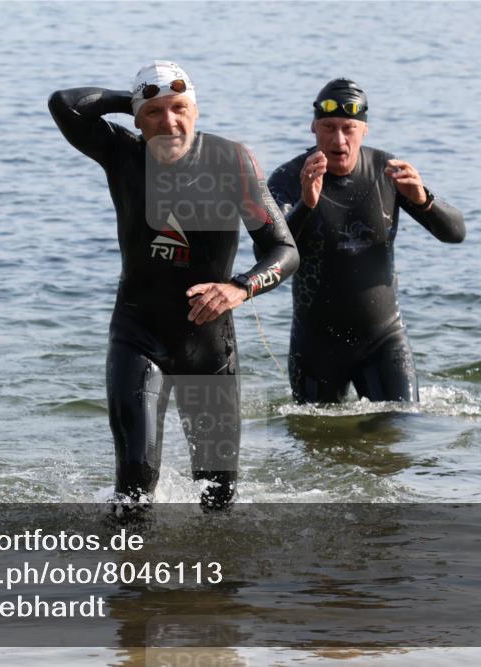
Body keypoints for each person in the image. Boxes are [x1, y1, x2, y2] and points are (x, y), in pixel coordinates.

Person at [48, 61, 298, 508]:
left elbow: (285, 250)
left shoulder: (231, 160)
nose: (170, 123)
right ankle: (133, 574)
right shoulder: (122, 153)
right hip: (138, 336)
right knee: (134, 487)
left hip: (210, 342)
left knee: (219, 496)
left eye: (180, 108)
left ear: (196, 110)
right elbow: (63, 104)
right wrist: (137, 99)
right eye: (155, 113)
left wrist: (240, 288)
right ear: (136, 119)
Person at [268, 78, 465, 404]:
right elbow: (271, 250)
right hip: (316, 347)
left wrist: (422, 199)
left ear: (364, 130)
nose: (339, 139)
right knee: (316, 444)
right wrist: (306, 203)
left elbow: (455, 233)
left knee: (401, 434)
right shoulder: (290, 179)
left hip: (383, 340)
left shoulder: (385, 172)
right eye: (328, 127)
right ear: (313, 127)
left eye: (348, 128)